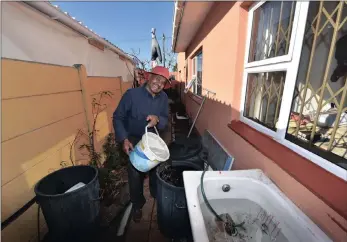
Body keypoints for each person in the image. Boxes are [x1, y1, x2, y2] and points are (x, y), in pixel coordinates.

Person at [113, 66, 169, 222]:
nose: (159, 84)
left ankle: (155, 194)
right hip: (134, 140)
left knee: (156, 170)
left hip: (153, 139)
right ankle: (137, 204)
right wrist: (124, 138)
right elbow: (118, 117)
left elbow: (165, 119)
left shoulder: (163, 98)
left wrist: (158, 119)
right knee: (135, 173)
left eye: (163, 82)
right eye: (157, 78)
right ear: (149, 76)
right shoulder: (132, 95)